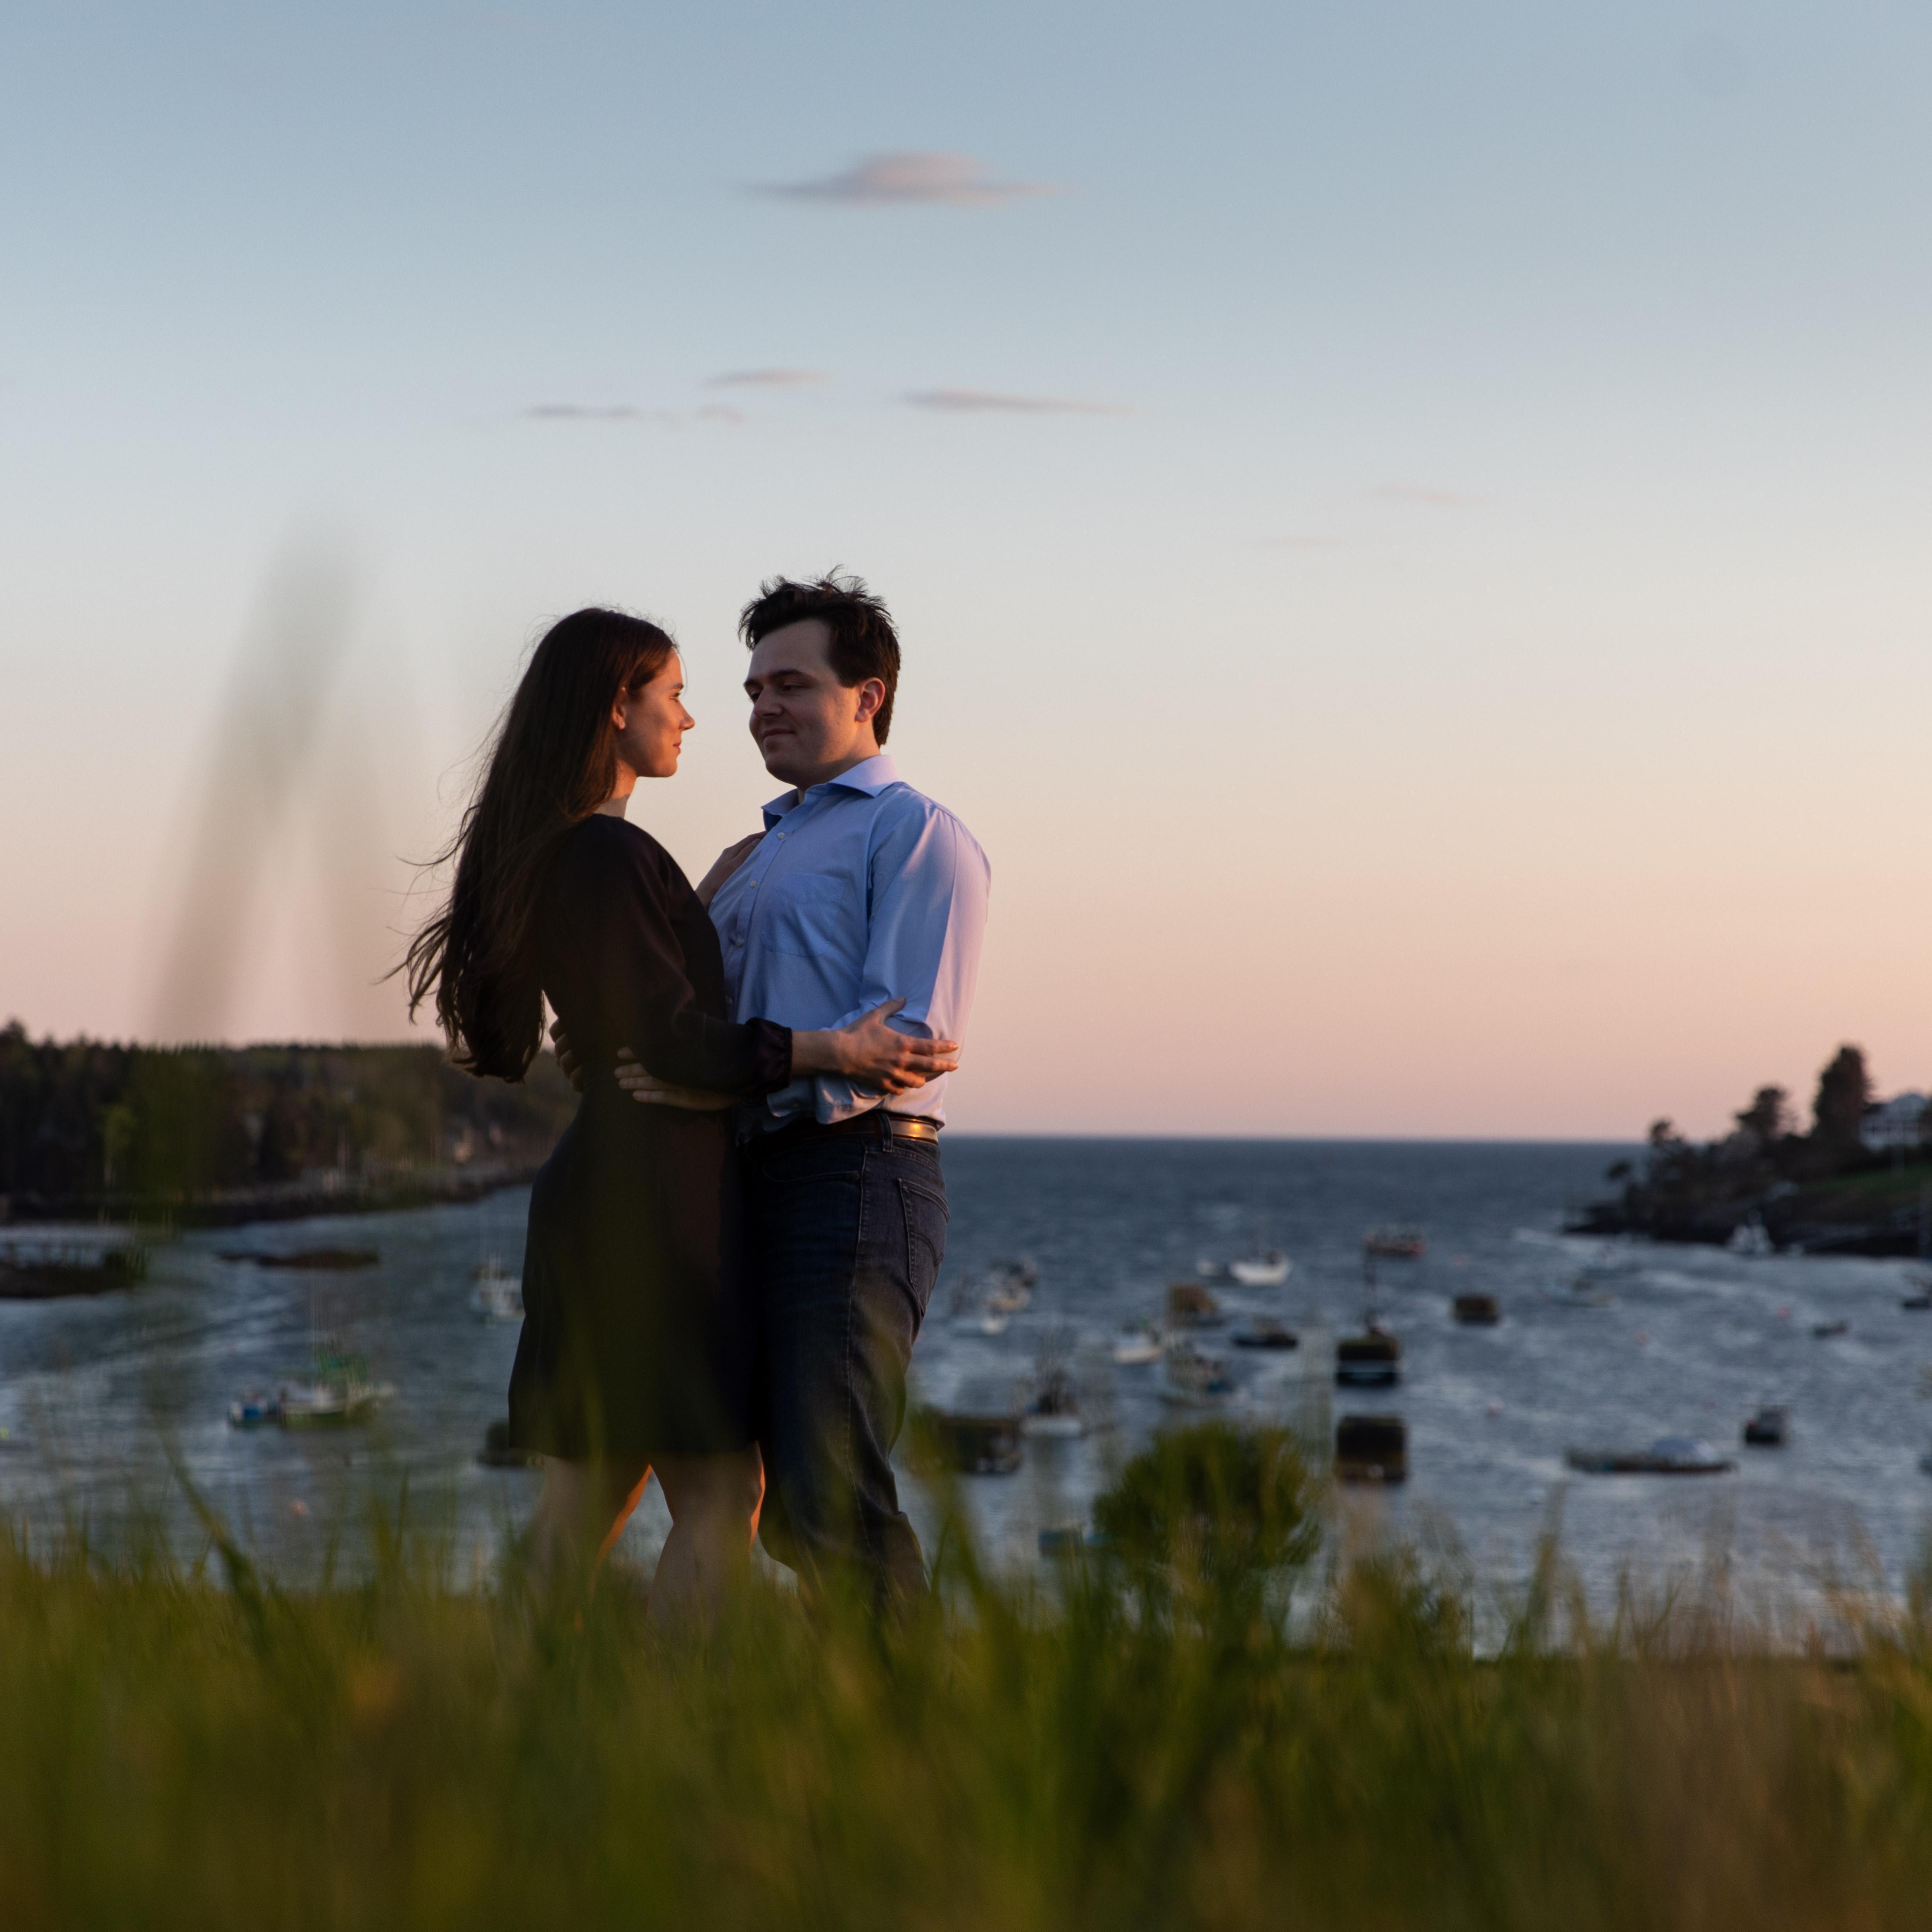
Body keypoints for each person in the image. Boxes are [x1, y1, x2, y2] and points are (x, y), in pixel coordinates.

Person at [401, 607, 956, 1625]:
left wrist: (660, 1048)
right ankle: (668, 1727)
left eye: (774, 686)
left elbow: (654, 1025)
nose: (704, 718)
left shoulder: (610, 853)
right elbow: (667, 1034)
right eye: (680, 695)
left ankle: (503, 1713)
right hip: (655, 1201)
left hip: (622, 1186)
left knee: (593, 1494)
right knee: (721, 1494)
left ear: (864, 695)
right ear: (617, 707)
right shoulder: (611, 856)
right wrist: (826, 1049)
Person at [590, 573, 991, 1612]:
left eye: (793, 684)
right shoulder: (762, 850)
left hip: (856, 1172)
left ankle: (909, 1735)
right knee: (755, 1484)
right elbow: (687, 1026)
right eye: (754, 687)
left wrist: (743, 1061)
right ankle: (836, 1725)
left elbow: (902, 1043)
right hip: (747, 1178)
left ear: (868, 695)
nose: (764, 706)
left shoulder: (912, 831)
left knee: (826, 1485)